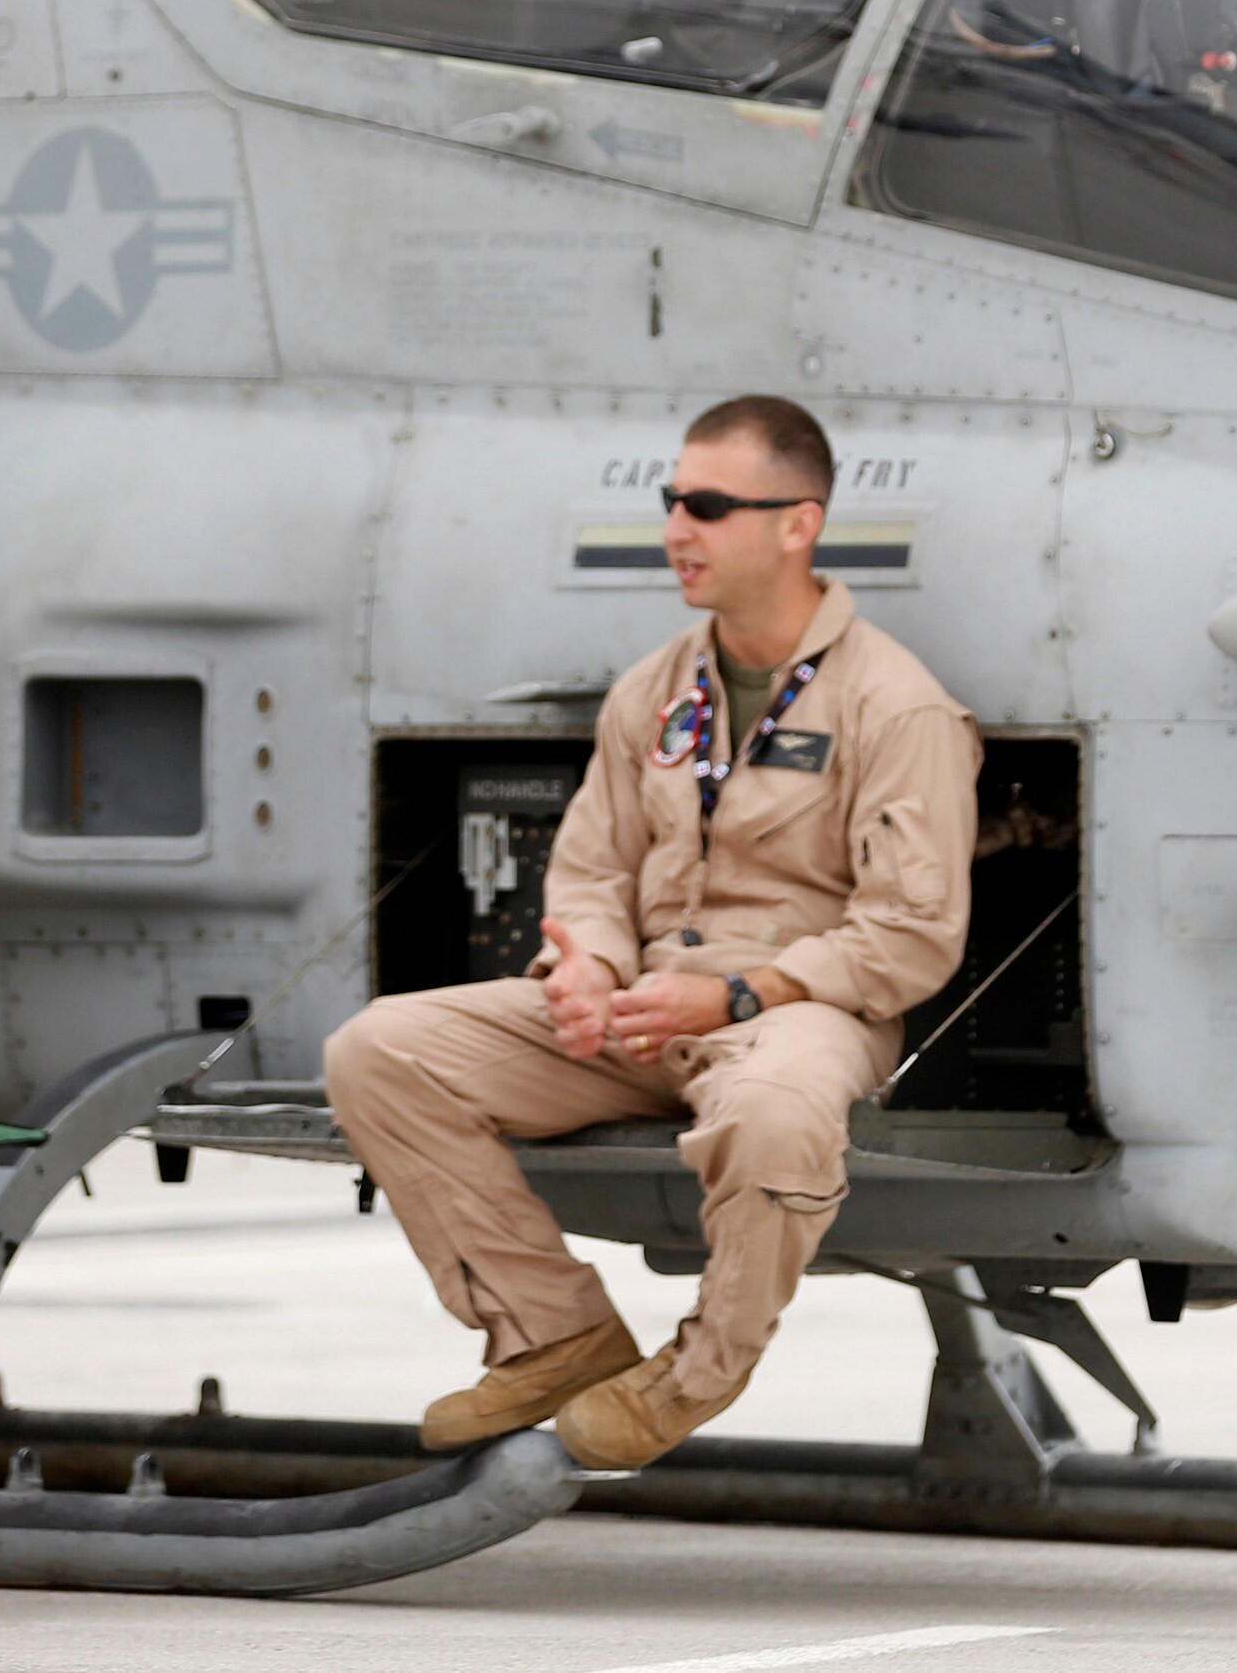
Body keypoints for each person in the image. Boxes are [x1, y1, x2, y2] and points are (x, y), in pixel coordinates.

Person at [327, 394, 981, 1469]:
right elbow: (591, 867)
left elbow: (910, 933)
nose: (678, 525)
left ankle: (692, 1375)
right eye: (673, 499)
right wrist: (585, 964)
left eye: (710, 504)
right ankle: (555, 1333)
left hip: (798, 1009)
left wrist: (735, 995)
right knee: (380, 1051)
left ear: (797, 523)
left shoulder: (894, 706)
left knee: (773, 1118)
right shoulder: (656, 688)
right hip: (645, 1004)